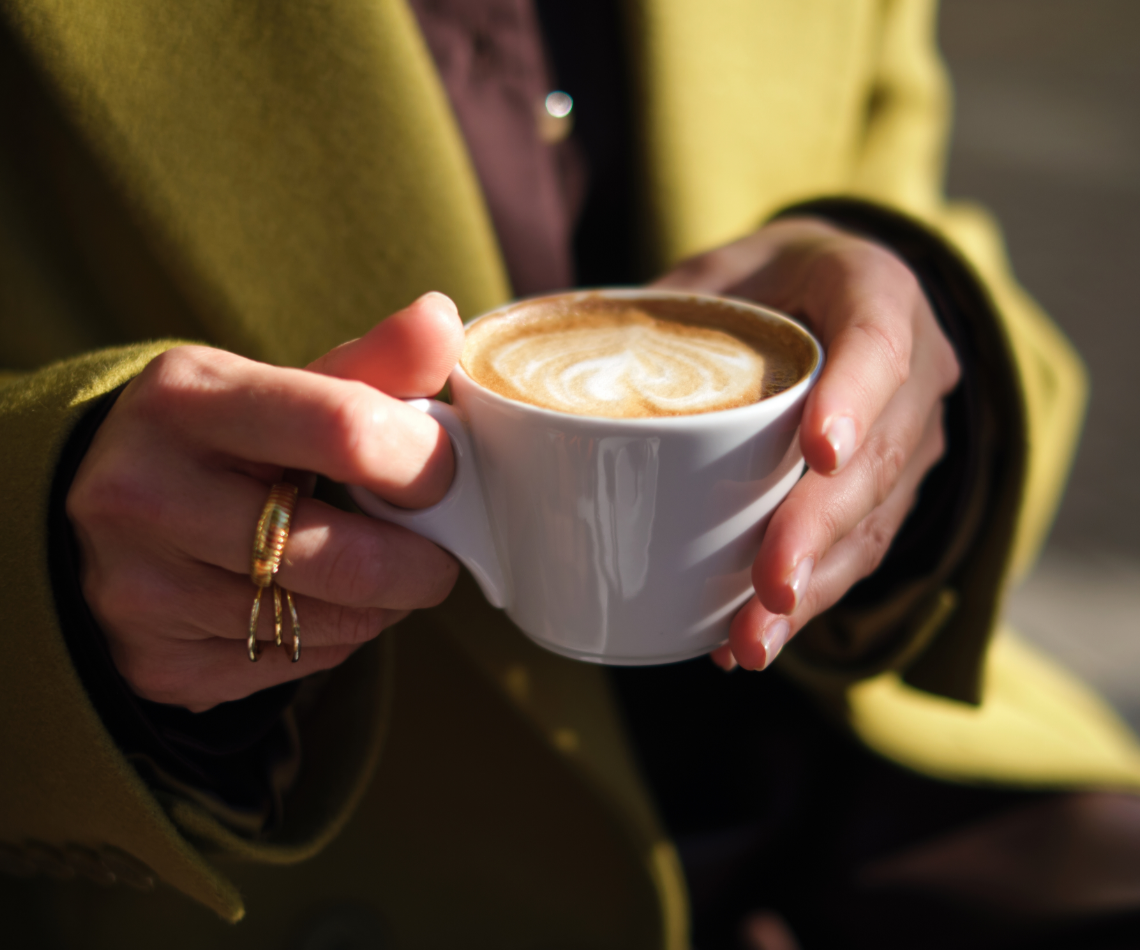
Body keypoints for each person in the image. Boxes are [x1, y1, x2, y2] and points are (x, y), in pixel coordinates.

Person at [2, 1, 1138, 947]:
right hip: (309, 849)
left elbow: (899, 163)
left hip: (874, 752)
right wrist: (50, 531)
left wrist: (916, 335)